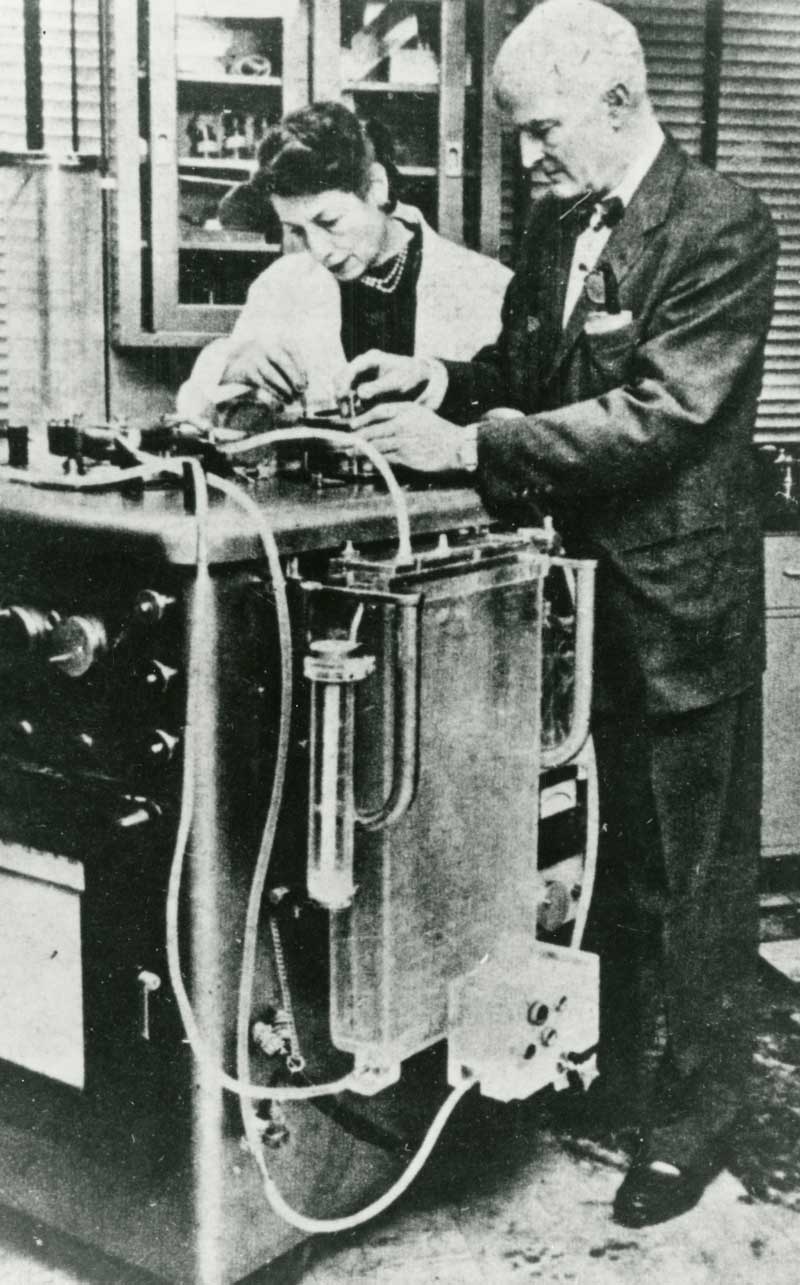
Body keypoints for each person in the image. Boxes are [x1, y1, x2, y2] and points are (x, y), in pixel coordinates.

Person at [342, 0, 779, 1229]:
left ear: (619, 104)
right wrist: (438, 379)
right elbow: (530, 379)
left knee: (687, 881)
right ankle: (613, 1077)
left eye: (541, 132)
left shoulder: (720, 224)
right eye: (518, 135)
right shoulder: (553, 225)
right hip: (566, 610)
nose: (527, 158)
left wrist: (466, 445)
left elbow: (658, 414)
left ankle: (691, 1126)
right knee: (595, 865)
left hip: (673, 613)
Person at [177, 101, 511, 422]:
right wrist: (230, 369)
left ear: (376, 188)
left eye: (329, 222)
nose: (319, 250)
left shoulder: (487, 285)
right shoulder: (281, 286)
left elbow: (513, 424)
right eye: (298, 231)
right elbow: (199, 413)